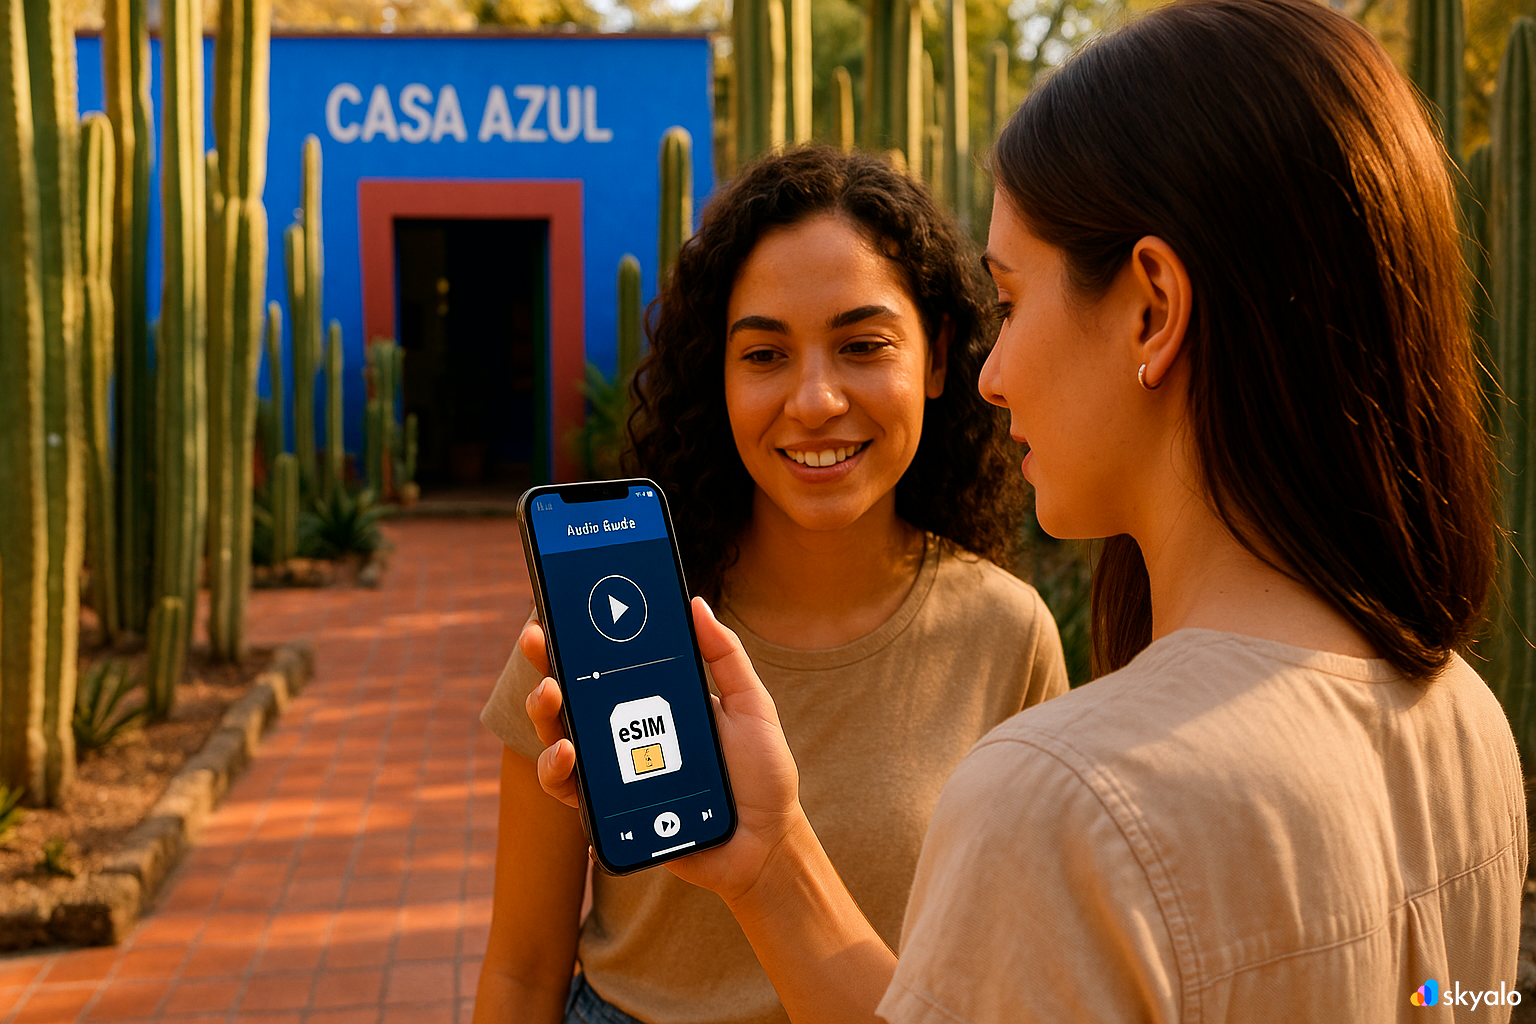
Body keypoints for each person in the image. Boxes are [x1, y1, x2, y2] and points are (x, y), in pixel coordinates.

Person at [525, 0, 1529, 1019]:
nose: (995, 376)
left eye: (1011, 301)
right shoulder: (1466, 724)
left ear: (1152, 308)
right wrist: (770, 860)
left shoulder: (1062, 801)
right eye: (765, 351)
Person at [474, 147, 1069, 1024]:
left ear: (938, 359)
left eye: (863, 344)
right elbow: (522, 971)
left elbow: (1016, 966)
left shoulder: (1008, 634)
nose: (815, 399)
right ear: (716, 376)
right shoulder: (608, 618)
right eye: (763, 354)